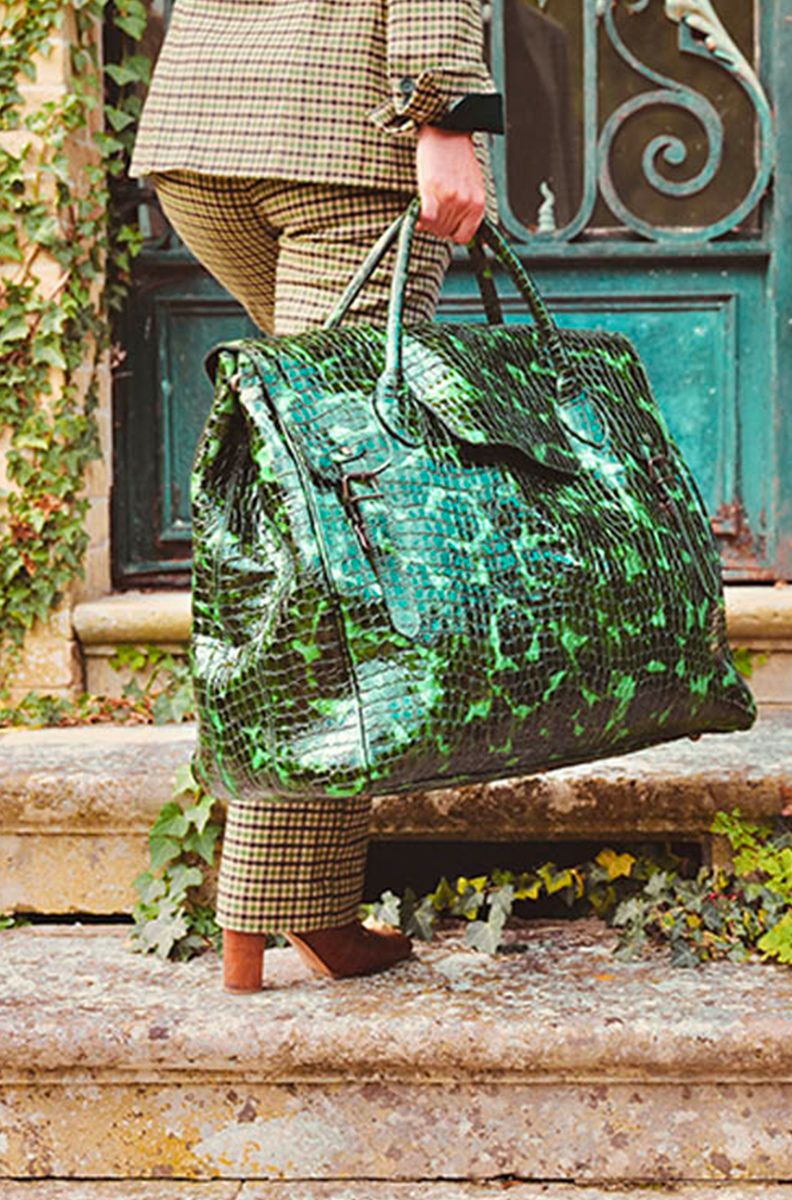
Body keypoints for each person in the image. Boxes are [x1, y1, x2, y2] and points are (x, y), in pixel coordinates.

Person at [128, 0, 503, 992]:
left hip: (207, 126)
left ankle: (287, 911)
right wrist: (446, 118)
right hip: (346, 138)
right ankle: (283, 909)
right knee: (336, 531)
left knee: (311, 488)